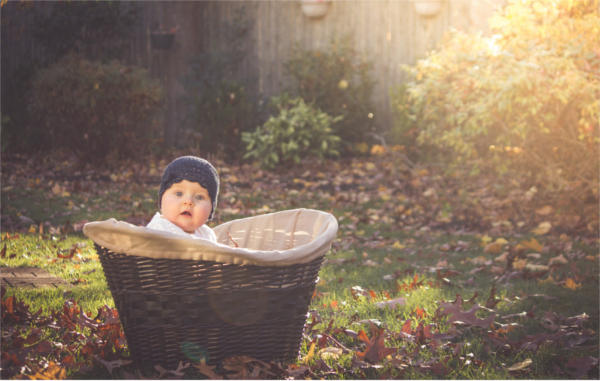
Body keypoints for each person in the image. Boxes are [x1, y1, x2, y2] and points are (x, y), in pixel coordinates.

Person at [146, 156, 219, 241]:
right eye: (179, 194)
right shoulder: (158, 231)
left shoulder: (207, 234)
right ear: (162, 199)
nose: (188, 201)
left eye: (199, 197)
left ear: (211, 208)